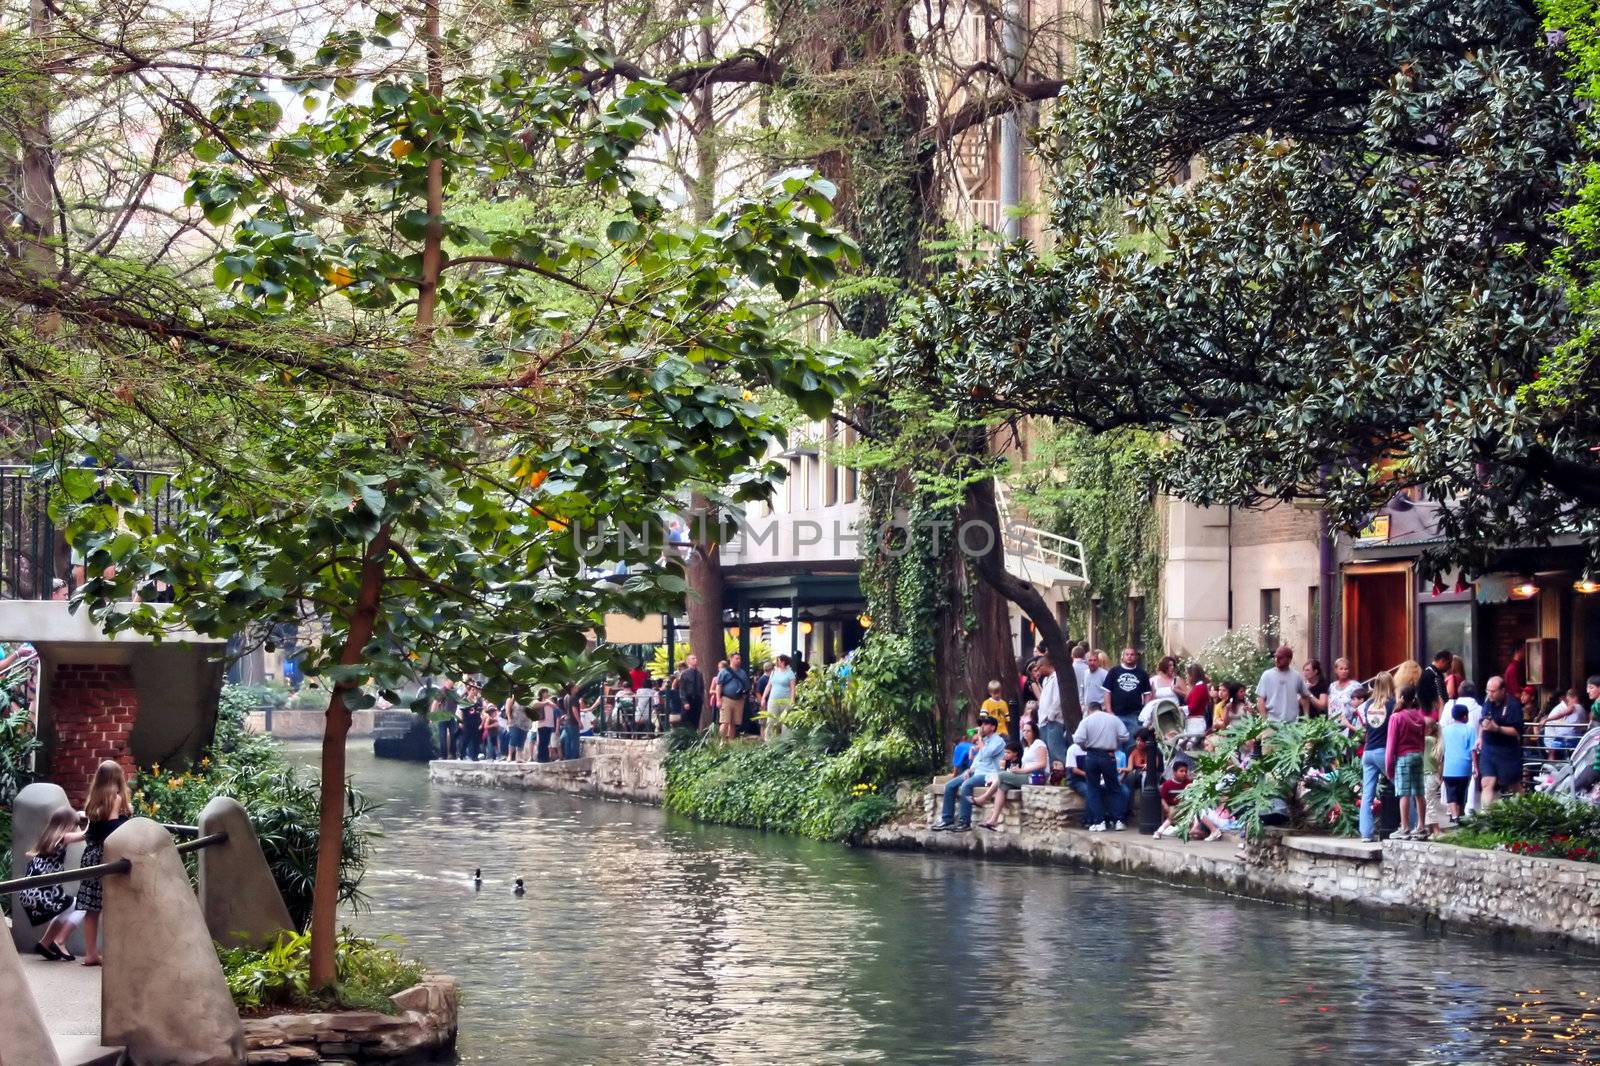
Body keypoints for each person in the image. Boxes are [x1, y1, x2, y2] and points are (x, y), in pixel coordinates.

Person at [75, 760, 132, 966]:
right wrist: (116, 811)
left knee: (93, 909)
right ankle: (106, 953)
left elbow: (90, 833)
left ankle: (92, 953)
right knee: (107, 905)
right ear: (119, 778)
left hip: (92, 857)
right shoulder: (113, 801)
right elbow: (112, 834)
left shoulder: (95, 801)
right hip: (106, 858)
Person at [25, 806, 87, 960]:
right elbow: (88, 834)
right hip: (41, 893)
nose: (74, 827)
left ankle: (45, 944)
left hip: (31, 892)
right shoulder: (63, 837)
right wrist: (88, 817)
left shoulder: (47, 838)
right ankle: (60, 941)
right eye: (73, 824)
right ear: (67, 824)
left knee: (66, 907)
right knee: (81, 906)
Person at [932, 713, 1004, 832]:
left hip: (988, 774)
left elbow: (986, 753)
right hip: (976, 772)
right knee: (949, 786)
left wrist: (979, 738)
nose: (982, 726)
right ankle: (947, 820)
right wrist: (969, 770)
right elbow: (978, 759)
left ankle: (964, 823)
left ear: (993, 727)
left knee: (966, 785)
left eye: (985, 724)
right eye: (981, 724)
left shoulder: (998, 741)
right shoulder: (984, 740)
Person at [975, 719, 1049, 830]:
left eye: (1028, 731)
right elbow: (1026, 765)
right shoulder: (1026, 748)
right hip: (1025, 775)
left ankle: (984, 798)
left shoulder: (1039, 744)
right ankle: (993, 820)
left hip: (1036, 778)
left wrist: (1022, 771)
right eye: (1024, 731)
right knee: (1002, 786)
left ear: (1034, 732)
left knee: (1001, 775)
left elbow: (1042, 763)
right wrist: (1018, 770)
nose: (1025, 733)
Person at [1071, 700, 1129, 832]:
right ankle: (1118, 820)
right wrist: (1114, 742)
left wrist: (1085, 747)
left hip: (1091, 755)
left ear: (1089, 710)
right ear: (1101, 708)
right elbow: (1125, 736)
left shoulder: (1086, 720)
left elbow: (1078, 739)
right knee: (1114, 787)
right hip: (1109, 755)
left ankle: (1099, 821)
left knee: (1093, 788)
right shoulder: (1113, 719)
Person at [1385, 685, 1428, 839]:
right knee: (1419, 792)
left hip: (1403, 757)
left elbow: (1391, 744)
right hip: (1418, 755)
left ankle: (1404, 828)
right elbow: (1422, 740)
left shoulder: (1396, 717)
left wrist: (1389, 766)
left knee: (1404, 793)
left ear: (1401, 698)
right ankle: (1421, 826)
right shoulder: (1419, 716)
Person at [1478, 675, 1524, 808]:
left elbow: (1517, 731)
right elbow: (1483, 721)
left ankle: (1523, 811)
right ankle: (1485, 816)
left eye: (1493, 691)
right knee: (1486, 782)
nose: (1490, 694)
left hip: (1507, 749)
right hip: (1489, 747)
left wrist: (1497, 728)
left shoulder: (1513, 705)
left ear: (1503, 690)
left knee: (1513, 783)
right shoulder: (1487, 701)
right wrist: (1480, 737)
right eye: (1488, 690)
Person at [1357, 676, 1393, 842]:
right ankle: (1412, 824)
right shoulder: (1392, 704)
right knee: (1402, 787)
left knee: (1367, 794)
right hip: (1383, 751)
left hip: (1368, 751)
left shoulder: (1368, 705)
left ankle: (1366, 833)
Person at [1104, 647, 1152, 752]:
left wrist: (1145, 712)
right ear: (1123, 656)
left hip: (1134, 715)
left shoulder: (1142, 674)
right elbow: (1107, 692)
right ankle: (1119, 766)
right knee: (1116, 743)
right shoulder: (1114, 671)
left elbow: (1147, 694)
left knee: (1132, 743)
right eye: (1127, 654)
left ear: (1136, 657)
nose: (1129, 657)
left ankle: (1130, 766)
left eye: (1132, 654)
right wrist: (1109, 711)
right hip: (1116, 714)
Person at [1441, 696, 1476, 822]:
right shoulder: (1470, 729)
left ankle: (1454, 816)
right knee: (1461, 793)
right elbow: (1473, 749)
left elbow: (1442, 750)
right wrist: (1476, 767)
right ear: (1465, 716)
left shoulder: (1445, 730)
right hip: (1464, 766)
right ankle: (1458, 815)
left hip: (1449, 767)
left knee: (1451, 792)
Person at [1256, 644, 1311, 724]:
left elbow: (1305, 697)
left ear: (1289, 659)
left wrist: (1306, 717)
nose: (1276, 659)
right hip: (1272, 723)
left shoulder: (1296, 676)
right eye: (1275, 657)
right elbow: (1260, 700)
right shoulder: (1267, 675)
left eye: (1280, 657)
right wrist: (1264, 720)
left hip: (1292, 723)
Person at [1035, 653, 1067, 767]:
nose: (1037, 671)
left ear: (1045, 665)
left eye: (1038, 668)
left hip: (1053, 720)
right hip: (1043, 720)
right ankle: (1054, 774)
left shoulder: (1056, 678)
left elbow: (1057, 698)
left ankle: (1065, 772)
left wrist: (1051, 715)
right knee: (1047, 749)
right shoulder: (1045, 680)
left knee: (1056, 749)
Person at [1152, 760, 1194, 839]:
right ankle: (1159, 831)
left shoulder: (1188, 782)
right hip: (1172, 806)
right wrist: (1166, 807)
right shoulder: (1167, 784)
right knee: (1174, 812)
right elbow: (1163, 798)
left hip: (1185, 806)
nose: (1184, 773)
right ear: (1174, 772)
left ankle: (1160, 831)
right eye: (1181, 771)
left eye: (1185, 771)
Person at [1541, 688, 1588, 752]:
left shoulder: (1573, 706)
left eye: (1568, 700)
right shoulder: (1582, 709)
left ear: (1575, 698)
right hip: (1576, 737)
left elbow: (1561, 714)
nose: (1568, 702)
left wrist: (1547, 719)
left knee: (1553, 745)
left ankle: (1551, 759)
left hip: (1569, 739)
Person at [716, 654, 750, 741]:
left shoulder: (742, 673)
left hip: (739, 700)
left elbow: (747, 686)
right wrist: (718, 699)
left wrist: (744, 695)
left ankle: (730, 741)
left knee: (734, 723)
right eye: (736, 658)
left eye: (739, 658)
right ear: (731, 660)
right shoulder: (724, 672)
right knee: (725, 722)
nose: (739, 660)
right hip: (726, 699)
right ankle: (721, 742)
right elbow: (719, 686)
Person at [762, 654, 796, 739]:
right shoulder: (774, 672)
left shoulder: (790, 673)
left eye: (778, 660)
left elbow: (793, 688)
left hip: (785, 701)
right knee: (771, 720)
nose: (776, 662)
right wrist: (763, 697)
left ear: (783, 662)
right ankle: (769, 741)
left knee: (785, 722)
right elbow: (769, 685)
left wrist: (792, 700)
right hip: (773, 700)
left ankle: (786, 742)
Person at [1327, 657, 1362, 731]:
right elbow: (1330, 705)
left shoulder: (1355, 686)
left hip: (1349, 725)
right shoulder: (1332, 686)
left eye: (1346, 669)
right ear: (1336, 670)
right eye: (1341, 669)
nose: (1344, 671)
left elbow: (1361, 706)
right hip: (1333, 726)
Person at [431, 677, 460, 759]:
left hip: (451, 717)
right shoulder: (441, 691)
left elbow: (459, 701)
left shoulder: (454, 692)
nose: (451, 683)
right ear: (446, 681)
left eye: (453, 682)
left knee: (454, 735)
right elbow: (435, 703)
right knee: (442, 736)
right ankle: (443, 755)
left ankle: (453, 754)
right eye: (450, 681)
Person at [677, 654, 706, 730]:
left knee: (696, 720)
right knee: (687, 720)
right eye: (693, 658)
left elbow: (702, 687)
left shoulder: (699, 674)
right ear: (688, 661)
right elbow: (682, 689)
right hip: (688, 698)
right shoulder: (685, 674)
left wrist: (701, 698)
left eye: (696, 658)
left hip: (697, 699)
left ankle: (694, 736)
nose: (695, 660)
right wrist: (685, 701)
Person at [458, 680, 485, 761]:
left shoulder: (478, 701)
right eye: (472, 690)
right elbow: (461, 712)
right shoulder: (464, 701)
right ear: (469, 691)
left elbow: (481, 712)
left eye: (475, 690)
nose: (474, 692)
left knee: (476, 740)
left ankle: (475, 756)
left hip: (476, 723)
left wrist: (481, 722)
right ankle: (462, 754)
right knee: (465, 740)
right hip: (467, 723)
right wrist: (461, 723)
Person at [1419, 649, 1452, 715]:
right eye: (1449, 663)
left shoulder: (1438, 674)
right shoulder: (1428, 674)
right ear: (1442, 661)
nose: (1450, 666)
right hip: (1432, 713)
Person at [1183, 664, 1211, 737]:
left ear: (1192, 676)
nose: (1187, 677)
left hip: (1196, 723)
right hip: (1193, 722)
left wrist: (1178, 708)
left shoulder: (1200, 687)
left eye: (1188, 675)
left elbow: (1192, 707)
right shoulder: (1198, 687)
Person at [506, 696, 532, 763]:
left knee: (522, 739)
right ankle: (510, 755)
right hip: (514, 722)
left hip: (525, 723)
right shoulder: (512, 698)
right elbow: (508, 708)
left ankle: (519, 757)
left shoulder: (527, 699)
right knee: (514, 737)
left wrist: (531, 721)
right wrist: (509, 717)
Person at [535, 687, 557, 763]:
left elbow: (554, 706)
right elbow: (535, 705)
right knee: (542, 742)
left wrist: (547, 701)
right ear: (542, 693)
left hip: (549, 724)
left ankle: (545, 758)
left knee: (546, 742)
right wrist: (546, 702)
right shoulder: (538, 701)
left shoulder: (549, 700)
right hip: (542, 724)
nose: (547, 693)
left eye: (547, 692)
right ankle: (541, 758)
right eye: (545, 692)